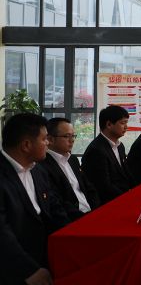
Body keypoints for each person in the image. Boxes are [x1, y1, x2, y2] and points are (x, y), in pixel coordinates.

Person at [0, 113, 70, 285]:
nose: (48, 143)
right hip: (13, 270)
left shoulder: (38, 170)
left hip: (44, 257)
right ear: (26, 145)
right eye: (44, 139)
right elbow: (2, 232)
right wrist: (28, 270)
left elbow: (55, 209)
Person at [40, 118, 100, 221]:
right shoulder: (43, 166)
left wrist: (96, 211)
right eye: (67, 136)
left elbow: (89, 188)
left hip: (92, 214)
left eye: (73, 136)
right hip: (73, 220)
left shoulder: (73, 160)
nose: (72, 140)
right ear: (50, 139)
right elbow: (59, 202)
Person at [82, 105, 133, 205]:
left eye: (126, 123)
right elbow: (104, 186)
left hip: (122, 196)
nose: (126, 127)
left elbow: (126, 173)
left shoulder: (120, 146)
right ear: (109, 124)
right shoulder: (96, 151)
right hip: (108, 202)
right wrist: (128, 198)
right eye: (123, 123)